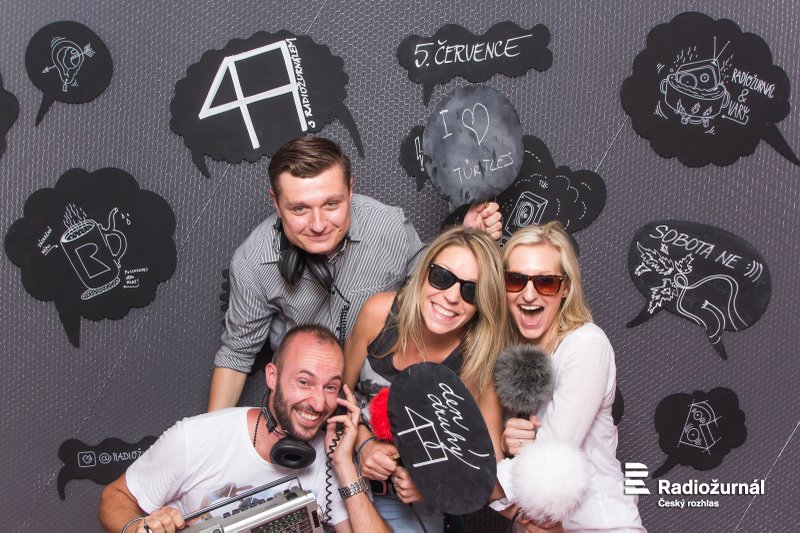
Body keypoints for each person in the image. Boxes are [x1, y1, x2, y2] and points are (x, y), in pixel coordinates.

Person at [209, 136, 502, 410]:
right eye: (299, 209)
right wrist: (209, 435)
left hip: (380, 396)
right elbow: (236, 354)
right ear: (276, 202)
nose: (318, 224)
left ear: (350, 191)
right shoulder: (253, 262)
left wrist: (468, 242)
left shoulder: (389, 227)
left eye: (331, 204)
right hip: (306, 402)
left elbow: (434, 288)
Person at [99, 324, 389, 533]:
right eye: (304, 382)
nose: (317, 402)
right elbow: (116, 496)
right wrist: (137, 528)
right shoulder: (195, 438)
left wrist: (344, 466)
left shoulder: (332, 456)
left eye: (330, 387)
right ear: (272, 377)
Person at [343, 226, 508, 532]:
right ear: (424, 273)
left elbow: (485, 474)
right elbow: (338, 395)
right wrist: (364, 444)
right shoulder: (379, 314)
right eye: (442, 277)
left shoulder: (477, 364)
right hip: (343, 468)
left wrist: (434, 486)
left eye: (471, 291)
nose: (451, 297)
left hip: (410, 505)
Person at [493, 222, 644, 532]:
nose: (529, 294)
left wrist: (469, 482)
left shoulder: (586, 344)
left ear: (565, 288)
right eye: (516, 280)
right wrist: (510, 442)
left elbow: (548, 465)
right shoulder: (513, 356)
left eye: (546, 282)